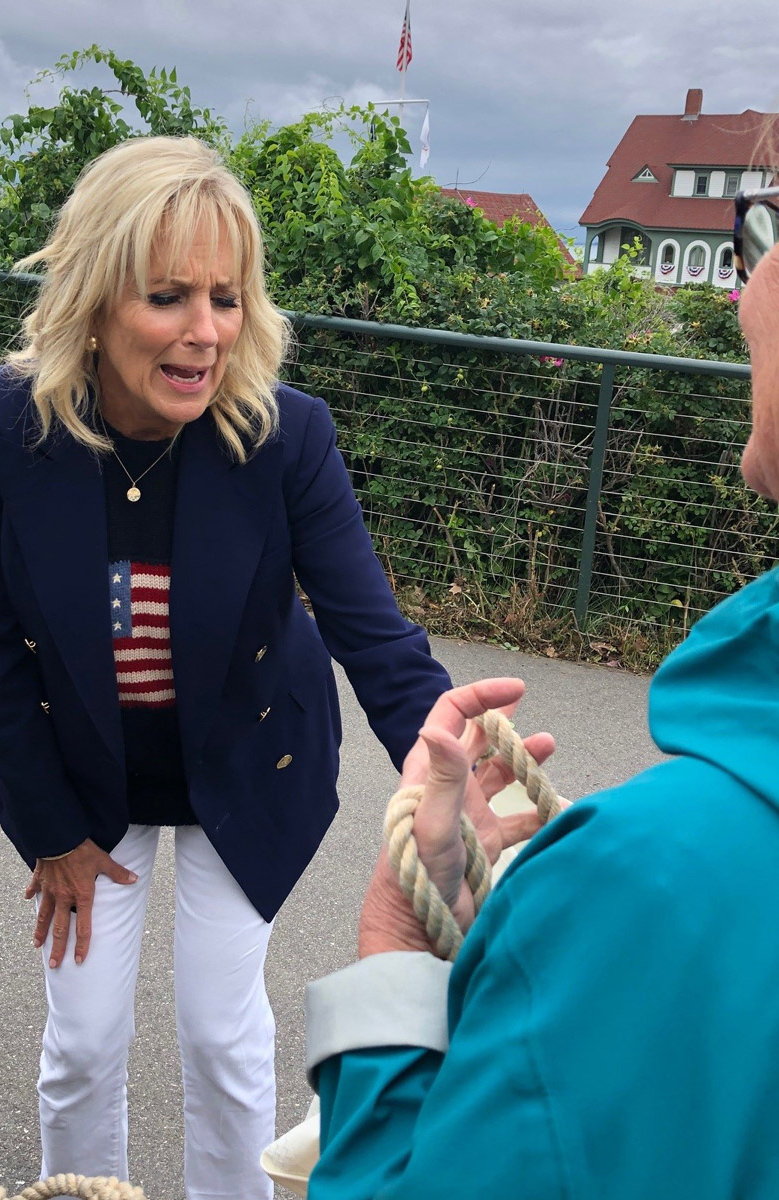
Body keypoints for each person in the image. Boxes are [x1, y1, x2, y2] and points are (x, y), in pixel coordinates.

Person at [0, 135, 454, 1199]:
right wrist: (47, 825)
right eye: (168, 296)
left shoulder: (286, 436)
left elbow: (374, 634)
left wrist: (456, 765)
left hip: (247, 762)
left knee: (223, 1039)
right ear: (92, 294)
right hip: (86, 777)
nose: (206, 333)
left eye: (226, 297)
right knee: (81, 1043)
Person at [304, 185, 779, 1199]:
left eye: (766, 234)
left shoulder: (643, 882)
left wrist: (399, 940)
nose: (742, 298)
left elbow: (366, 621)